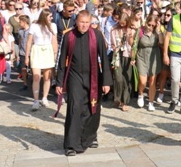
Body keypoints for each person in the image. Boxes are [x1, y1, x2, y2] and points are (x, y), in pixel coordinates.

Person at [55, 10, 112, 157]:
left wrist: (106, 81)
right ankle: (71, 144)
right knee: (75, 108)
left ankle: (90, 137)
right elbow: (62, 61)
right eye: (82, 22)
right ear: (76, 21)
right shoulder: (69, 36)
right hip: (75, 76)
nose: (84, 25)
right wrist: (59, 82)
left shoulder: (97, 35)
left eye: (87, 22)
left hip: (93, 76)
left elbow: (104, 59)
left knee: (92, 107)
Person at [25, 9, 58, 110]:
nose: (51, 18)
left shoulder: (53, 26)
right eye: (50, 16)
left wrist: (55, 54)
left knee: (47, 77)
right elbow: (29, 42)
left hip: (48, 50)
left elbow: (54, 41)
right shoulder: (34, 26)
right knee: (36, 76)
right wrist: (27, 56)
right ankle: (36, 100)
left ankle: (44, 97)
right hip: (37, 50)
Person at [131, 14, 163, 111]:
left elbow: (161, 42)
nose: (151, 27)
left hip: (154, 56)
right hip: (142, 56)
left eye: (153, 25)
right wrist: (133, 58)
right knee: (143, 81)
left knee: (153, 80)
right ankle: (141, 94)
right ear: (146, 23)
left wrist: (158, 31)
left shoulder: (157, 32)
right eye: (149, 25)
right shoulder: (140, 31)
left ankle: (151, 102)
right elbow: (135, 44)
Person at [111, 15, 134, 111]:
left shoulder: (131, 30)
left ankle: (124, 101)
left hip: (127, 55)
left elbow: (132, 45)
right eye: (120, 23)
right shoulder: (114, 29)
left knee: (127, 78)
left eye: (123, 23)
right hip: (117, 56)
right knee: (118, 78)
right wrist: (115, 47)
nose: (121, 25)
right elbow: (112, 44)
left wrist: (129, 36)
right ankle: (118, 98)